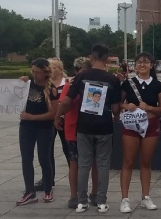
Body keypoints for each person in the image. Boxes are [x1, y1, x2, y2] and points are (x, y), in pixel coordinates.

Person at [56, 44, 121, 213]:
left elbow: (67, 101)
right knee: (103, 164)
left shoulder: (82, 76)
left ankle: (81, 201)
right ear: (107, 59)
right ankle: (101, 201)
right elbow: (115, 108)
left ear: (91, 58)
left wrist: (58, 117)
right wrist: (115, 116)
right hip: (104, 127)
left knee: (83, 164)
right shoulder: (112, 79)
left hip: (84, 126)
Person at [119, 53, 161, 212]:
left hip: (151, 125)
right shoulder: (127, 83)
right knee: (128, 162)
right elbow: (118, 103)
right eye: (139, 62)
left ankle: (146, 196)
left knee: (146, 162)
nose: (142, 65)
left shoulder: (157, 85)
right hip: (132, 125)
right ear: (135, 65)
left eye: (146, 62)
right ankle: (125, 198)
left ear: (152, 65)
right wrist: (126, 106)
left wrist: (150, 108)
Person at [16, 58, 59, 206]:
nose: (34, 74)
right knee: (26, 158)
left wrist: (32, 117)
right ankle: (30, 191)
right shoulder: (28, 85)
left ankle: (48, 189)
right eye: (32, 71)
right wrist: (21, 81)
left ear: (45, 72)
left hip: (44, 128)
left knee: (44, 158)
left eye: (38, 72)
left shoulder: (51, 89)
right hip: (26, 127)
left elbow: (53, 113)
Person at [60, 57, 99, 209]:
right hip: (73, 129)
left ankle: (94, 193)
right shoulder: (69, 86)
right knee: (74, 163)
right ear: (76, 72)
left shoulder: (95, 87)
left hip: (91, 128)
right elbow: (64, 104)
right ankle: (74, 195)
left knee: (95, 163)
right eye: (81, 72)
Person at [34, 58, 70, 193]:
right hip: (49, 121)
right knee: (47, 151)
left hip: (64, 120)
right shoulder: (44, 85)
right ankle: (48, 178)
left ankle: (74, 177)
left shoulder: (68, 83)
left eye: (53, 67)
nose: (50, 70)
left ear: (60, 70)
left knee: (68, 149)